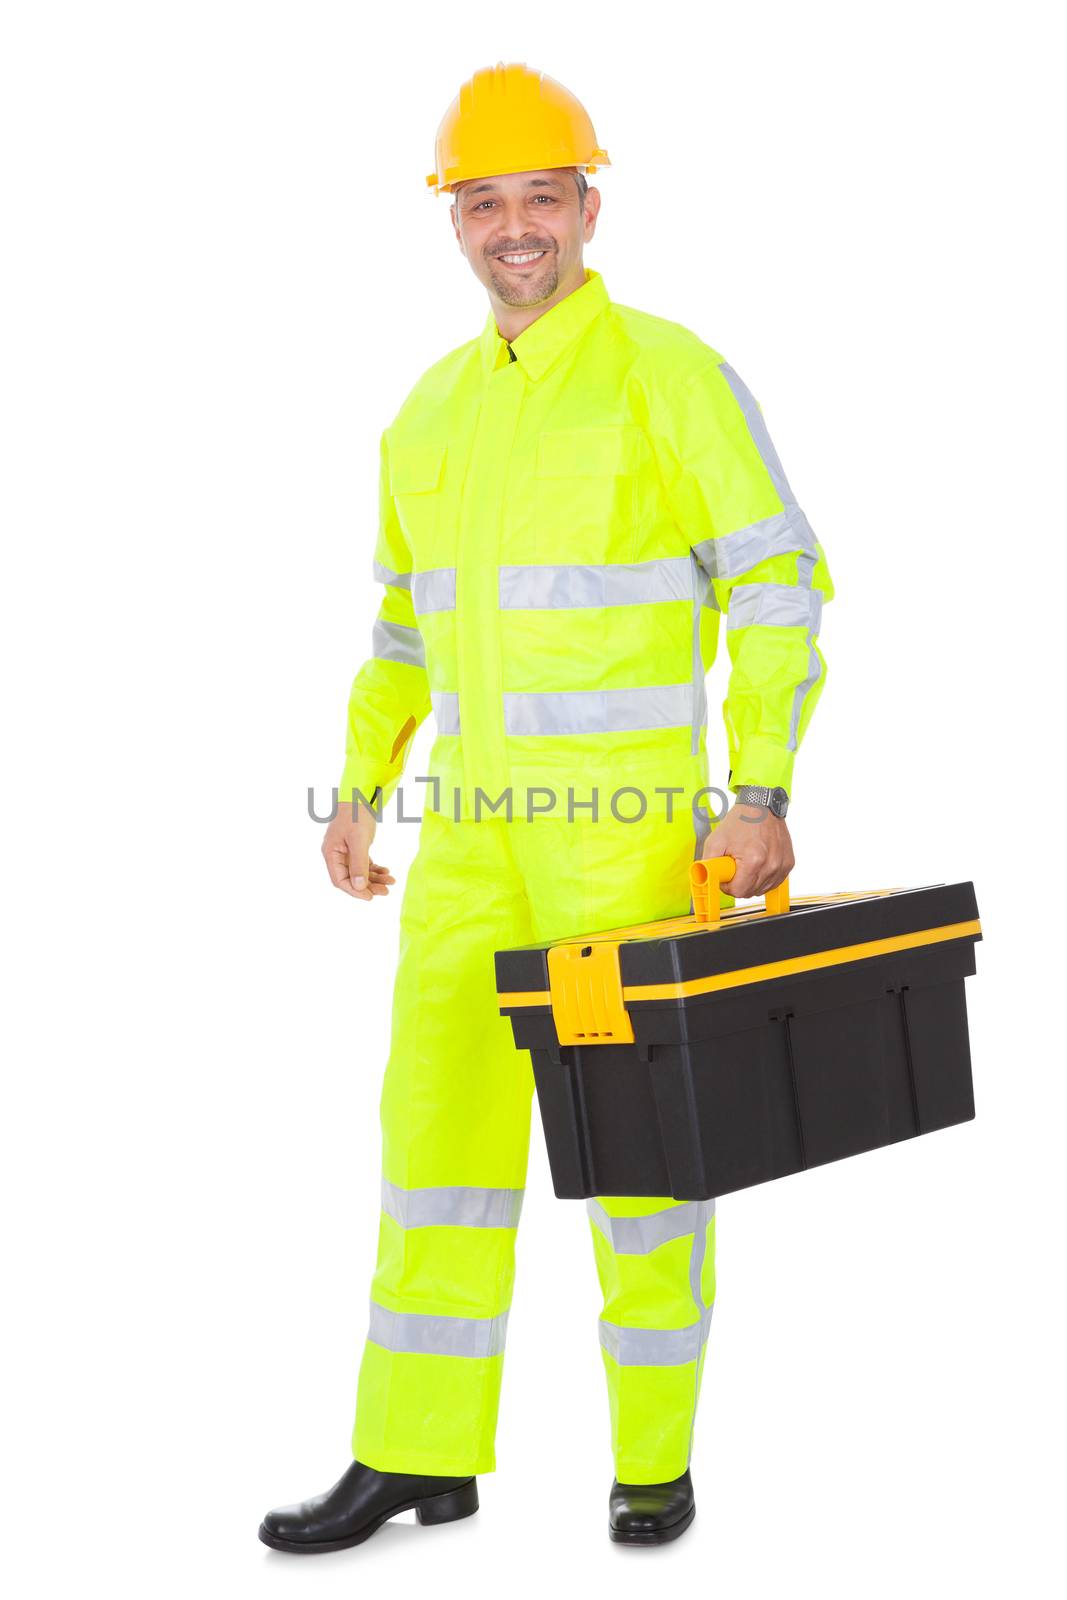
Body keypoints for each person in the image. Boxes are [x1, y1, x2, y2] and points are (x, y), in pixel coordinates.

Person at [259, 61, 833, 1554]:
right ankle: (416, 1454)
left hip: (629, 847)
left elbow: (776, 582)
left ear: (589, 202)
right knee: (435, 1147)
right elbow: (401, 626)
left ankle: (655, 1460)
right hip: (469, 849)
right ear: (454, 219)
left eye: (541, 195)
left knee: (644, 1153)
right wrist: (363, 783)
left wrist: (759, 787)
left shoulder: (668, 375)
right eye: (484, 201)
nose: (516, 227)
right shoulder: (431, 408)